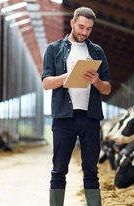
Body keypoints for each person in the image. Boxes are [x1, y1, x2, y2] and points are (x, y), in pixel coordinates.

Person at [41, 6, 111, 206]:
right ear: (72, 23)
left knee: (91, 170)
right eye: (81, 27)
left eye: (89, 29)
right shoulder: (54, 49)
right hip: (64, 117)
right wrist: (68, 76)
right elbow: (46, 83)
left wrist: (96, 80)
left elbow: (106, 88)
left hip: (90, 117)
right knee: (59, 169)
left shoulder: (97, 51)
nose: (84, 32)